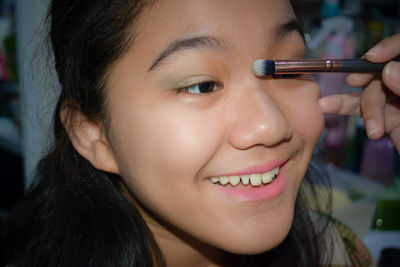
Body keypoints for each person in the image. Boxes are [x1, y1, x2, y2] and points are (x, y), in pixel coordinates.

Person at [2, 0, 399, 266]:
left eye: (290, 68)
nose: (271, 125)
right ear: (94, 134)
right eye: (202, 85)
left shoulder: (333, 251)